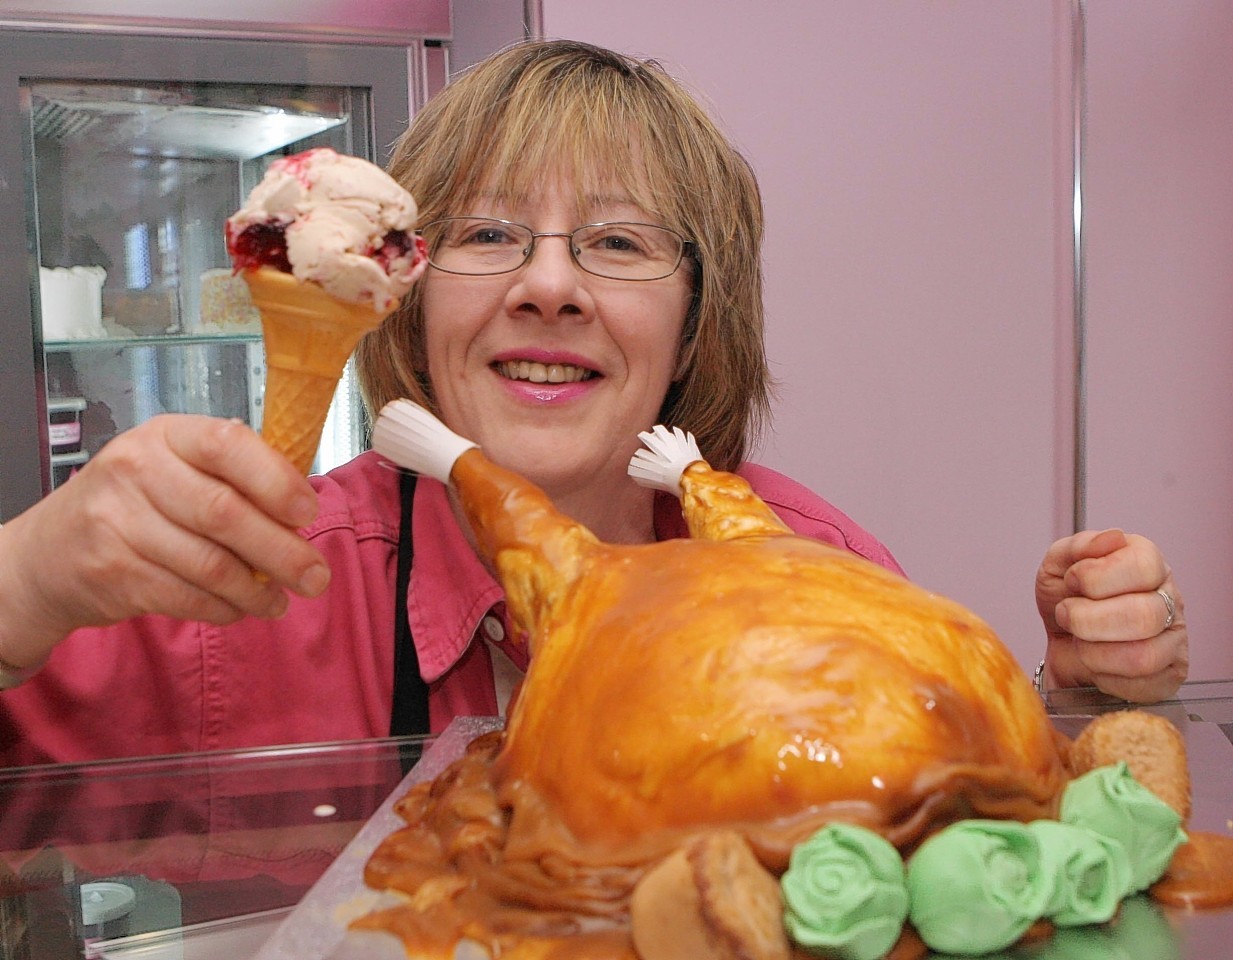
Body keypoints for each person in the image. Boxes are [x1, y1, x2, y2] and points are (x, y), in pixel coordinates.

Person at [0, 40, 1187, 766]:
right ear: (406, 295)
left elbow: (930, 815)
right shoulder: (249, 589)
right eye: (490, 234)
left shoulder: (813, 562)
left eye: (618, 242)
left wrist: (1069, 703)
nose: (551, 286)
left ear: (693, 325)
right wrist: (29, 578)